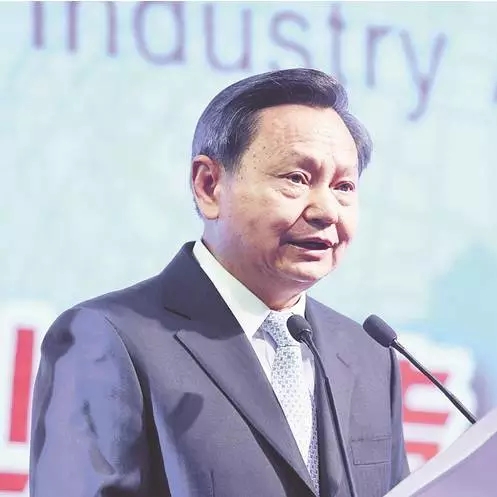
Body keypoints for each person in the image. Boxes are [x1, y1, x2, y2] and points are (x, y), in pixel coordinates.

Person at [29, 68, 409, 497]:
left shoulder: (368, 355)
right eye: (296, 179)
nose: (326, 210)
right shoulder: (107, 338)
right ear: (209, 185)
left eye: (344, 186)